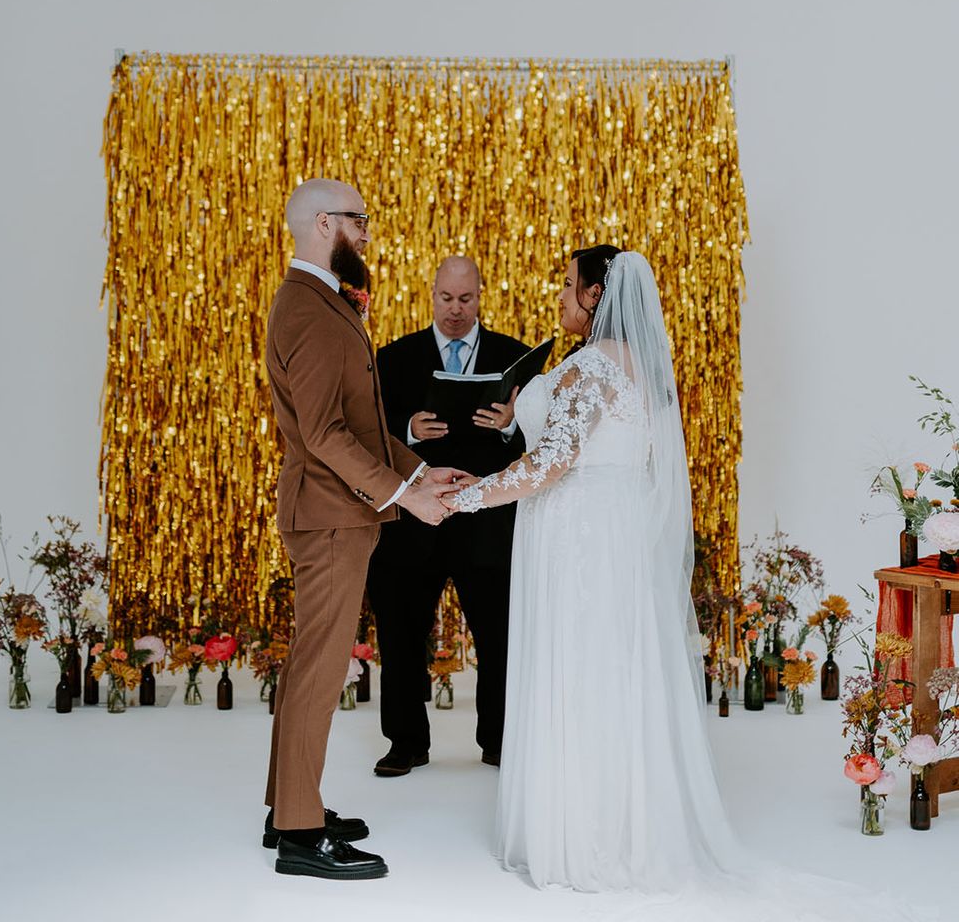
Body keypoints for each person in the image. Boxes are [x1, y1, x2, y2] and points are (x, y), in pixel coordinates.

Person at [444, 247, 931, 920]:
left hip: (577, 537)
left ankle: (580, 836)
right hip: (613, 535)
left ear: (592, 297)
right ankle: (622, 822)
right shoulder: (643, 367)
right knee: (611, 674)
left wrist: (465, 498)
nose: (558, 297)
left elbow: (551, 465)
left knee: (577, 669)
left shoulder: (589, 365)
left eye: (566, 286)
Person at [262, 178, 467, 881]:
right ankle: (298, 833)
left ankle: (286, 808)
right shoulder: (310, 308)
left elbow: (360, 425)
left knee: (309, 666)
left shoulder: (321, 301)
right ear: (324, 223)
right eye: (360, 221)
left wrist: (419, 471)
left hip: (335, 509)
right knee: (320, 672)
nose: (369, 234)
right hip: (328, 515)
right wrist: (406, 496)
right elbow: (323, 433)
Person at [366, 256, 529, 776]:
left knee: (499, 632)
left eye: (466, 299)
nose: (455, 310)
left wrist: (508, 426)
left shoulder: (515, 359)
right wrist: (409, 429)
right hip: (414, 520)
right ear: (431, 295)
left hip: (488, 521)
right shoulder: (393, 359)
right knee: (401, 629)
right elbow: (367, 432)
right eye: (446, 299)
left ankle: (499, 740)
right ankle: (405, 742)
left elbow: (546, 444)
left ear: (481, 296)